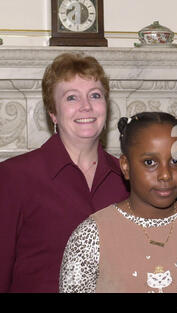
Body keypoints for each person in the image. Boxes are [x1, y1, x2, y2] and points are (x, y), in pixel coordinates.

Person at [0, 53, 129, 292]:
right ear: (53, 113)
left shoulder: (127, 178)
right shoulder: (13, 177)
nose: (86, 106)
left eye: (95, 95)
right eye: (71, 97)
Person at [59, 112, 177, 293]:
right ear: (126, 166)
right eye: (149, 162)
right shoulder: (92, 236)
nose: (165, 174)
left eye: (176, 160)